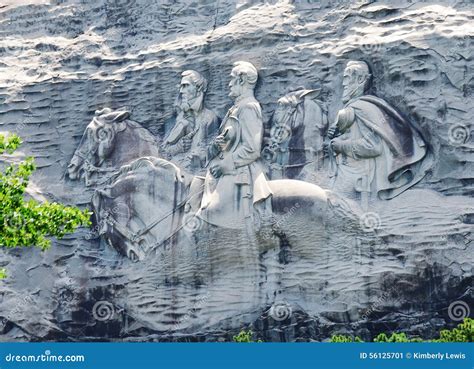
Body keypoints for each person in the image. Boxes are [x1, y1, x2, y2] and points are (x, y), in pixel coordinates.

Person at [326, 60, 428, 203]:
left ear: (361, 79)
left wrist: (340, 146)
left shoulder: (362, 108)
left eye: (347, 78)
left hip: (356, 178)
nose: (343, 84)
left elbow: (373, 147)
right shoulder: (354, 108)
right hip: (345, 173)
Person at [196, 61, 272, 229]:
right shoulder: (236, 108)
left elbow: (252, 149)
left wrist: (224, 165)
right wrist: (217, 146)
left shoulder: (249, 107)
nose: (229, 84)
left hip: (240, 171)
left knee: (210, 212)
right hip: (225, 170)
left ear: (242, 80)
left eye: (232, 79)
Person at [163, 70, 218, 174]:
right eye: (181, 86)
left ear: (198, 88)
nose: (181, 91)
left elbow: (215, 149)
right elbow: (165, 150)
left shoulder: (209, 117)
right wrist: (178, 147)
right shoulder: (181, 118)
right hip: (177, 169)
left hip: (199, 172)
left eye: (185, 86)